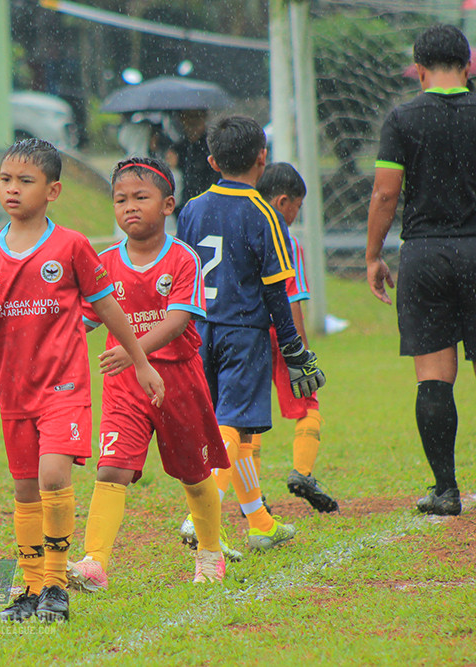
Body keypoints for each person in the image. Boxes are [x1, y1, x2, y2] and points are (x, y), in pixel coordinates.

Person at [0, 139, 165, 623]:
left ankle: (55, 586)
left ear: (53, 191)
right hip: (13, 389)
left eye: (25, 181)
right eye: (6, 179)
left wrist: (141, 361)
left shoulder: (71, 245)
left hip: (64, 386)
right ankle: (29, 590)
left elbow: (108, 307)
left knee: (53, 476)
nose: (12, 189)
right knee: (25, 489)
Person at [64, 157, 230, 590]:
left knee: (195, 474)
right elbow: (80, 319)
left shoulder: (183, 258)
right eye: (121, 199)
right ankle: (95, 563)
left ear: (168, 204)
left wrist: (132, 350)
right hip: (124, 385)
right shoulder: (103, 263)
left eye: (141, 197)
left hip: (178, 381)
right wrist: (30, 339)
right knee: (111, 469)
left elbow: (177, 321)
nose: (130, 207)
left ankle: (210, 552)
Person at [175, 116, 325, 551]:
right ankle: (200, 515)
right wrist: (293, 348)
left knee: (229, 428)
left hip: (200, 330)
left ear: (212, 161)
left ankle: (259, 523)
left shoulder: (192, 209)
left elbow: (181, 272)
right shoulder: (264, 214)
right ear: (263, 157)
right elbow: (277, 290)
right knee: (234, 425)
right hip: (243, 333)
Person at [366, 24, 476, 517]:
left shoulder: (403, 117)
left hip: (426, 254)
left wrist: (373, 255)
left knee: (433, 376)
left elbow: (385, 193)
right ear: (467, 66)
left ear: (419, 69)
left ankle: (445, 490)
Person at [255, 163, 339, 513]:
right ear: (282, 201)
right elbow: (292, 300)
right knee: (308, 402)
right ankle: (302, 472)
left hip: (246, 333)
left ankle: (251, 494)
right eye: (297, 206)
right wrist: (300, 353)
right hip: (281, 334)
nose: (296, 214)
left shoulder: (242, 231)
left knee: (247, 414)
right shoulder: (286, 242)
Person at [164, 109, 218, 213]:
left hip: (207, 205)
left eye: (197, 117)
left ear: (204, 118)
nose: (193, 122)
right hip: (183, 207)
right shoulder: (178, 148)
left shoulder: (212, 146)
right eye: (188, 117)